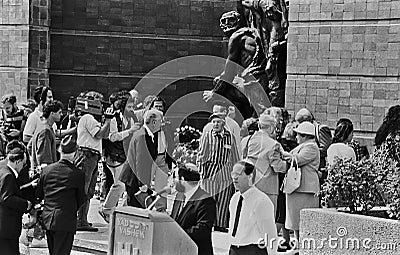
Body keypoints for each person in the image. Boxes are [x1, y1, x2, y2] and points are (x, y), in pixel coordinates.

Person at [36, 136, 86, 255]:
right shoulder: (77, 174)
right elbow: (81, 198)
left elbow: (39, 194)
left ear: (60, 151)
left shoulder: (47, 170)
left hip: (48, 219)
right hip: (65, 220)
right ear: (75, 154)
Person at [99, 94, 140, 222]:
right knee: (120, 184)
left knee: (125, 184)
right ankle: (106, 209)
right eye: (129, 106)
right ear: (122, 107)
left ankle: (119, 210)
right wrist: (130, 131)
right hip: (114, 156)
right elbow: (112, 137)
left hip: (126, 155)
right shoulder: (113, 119)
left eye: (132, 106)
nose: (132, 109)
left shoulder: (131, 119)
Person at [74, 91, 111, 232]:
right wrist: (107, 121)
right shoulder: (88, 117)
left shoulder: (92, 119)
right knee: (84, 188)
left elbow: (105, 134)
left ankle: (82, 219)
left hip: (92, 155)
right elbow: (99, 134)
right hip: (86, 154)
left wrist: (107, 122)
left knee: (89, 190)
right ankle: (79, 218)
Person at [197, 113, 239, 232]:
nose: (215, 124)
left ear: (224, 123)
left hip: (226, 173)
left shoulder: (230, 137)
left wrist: (236, 172)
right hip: (210, 172)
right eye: (214, 122)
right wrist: (202, 173)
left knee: (224, 199)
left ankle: (220, 224)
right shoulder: (207, 135)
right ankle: (208, 223)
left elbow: (235, 156)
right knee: (209, 199)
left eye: (218, 122)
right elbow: (201, 156)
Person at [119, 109, 170, 208]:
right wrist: (142, 184)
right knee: (135, 209)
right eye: (161, 121)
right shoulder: (142, 136)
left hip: (135, 178)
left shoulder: (147, 134)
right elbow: (140, 162)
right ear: (154, 122)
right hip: (134, 179)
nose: (162, 124)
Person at [282, 121, 320, 247]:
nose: (296, 137)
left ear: (305, 136)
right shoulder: (305, 146)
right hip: (297, 187)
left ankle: (303, 245)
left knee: (303, 220)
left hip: (306, 188)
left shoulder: (311, 147)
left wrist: (282, 153)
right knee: (295, 219)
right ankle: (298, 244)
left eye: (298, 135)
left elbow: (297, 160)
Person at [229, 160, 278, 255]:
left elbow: (270, 234)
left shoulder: (261, 201)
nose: (234, 177)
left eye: (239, 174)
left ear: (250, 176)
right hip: (234, 248)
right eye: (233, 174)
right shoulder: (235, 198)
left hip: (253, 249)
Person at [171, 163, 216, 255]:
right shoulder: (179, 196)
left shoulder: (205, 200)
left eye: (174, 177)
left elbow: (203, 228)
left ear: (182, 179)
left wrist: (178, 234)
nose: (172, 181)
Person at [243, 113, 286, 210]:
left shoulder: (246, 140)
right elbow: (277, 167)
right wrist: (287, 164)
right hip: (267, 187)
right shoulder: (273, 144)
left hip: (248, 184)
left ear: (259, 125)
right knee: (266, 219)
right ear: (271, 128)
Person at [0, 140, 33, 255]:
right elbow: (7, 198)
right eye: (23, 164)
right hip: (6, 227)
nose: (23, 167)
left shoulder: (3, 171)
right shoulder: (8, 175)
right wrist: (26, 204)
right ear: (18, 161)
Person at [30, 100, 63, 169]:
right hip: (46, 174)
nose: (62, 114)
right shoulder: (45, 131)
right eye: (59, 112)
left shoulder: (41, 126)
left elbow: (29, 146)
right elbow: (45, 162)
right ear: (52, 113)